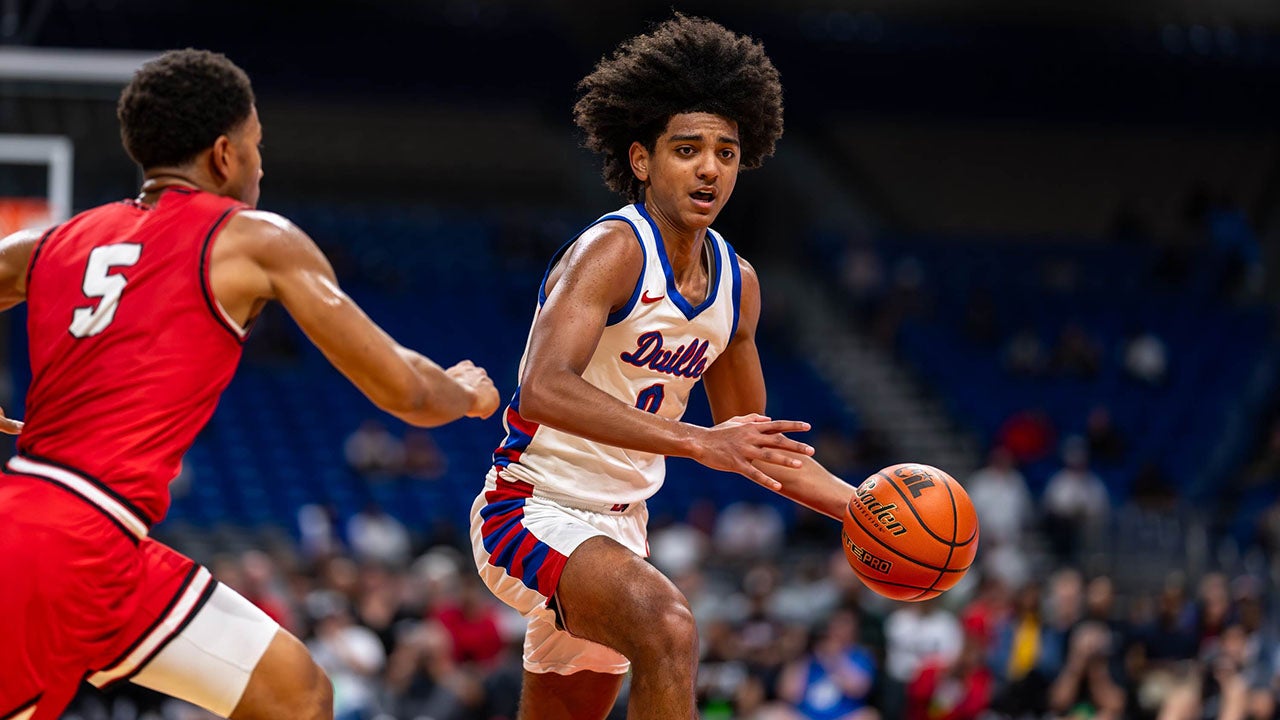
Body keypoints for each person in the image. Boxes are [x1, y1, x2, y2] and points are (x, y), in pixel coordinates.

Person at [0, 49, 500, 720]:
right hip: (63, 544)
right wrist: (466, 394)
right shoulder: (253, 238)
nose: (263, 165)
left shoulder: (53, 240)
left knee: (296, 694)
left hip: (103, 544)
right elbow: (404, 389)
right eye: (258, 145)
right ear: (224, 154)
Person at [468, 14, 857, 719]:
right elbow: (543, 386)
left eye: (726, 153)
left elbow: (754, 442)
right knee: (667, 624)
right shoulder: (613, 250)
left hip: (620, 530)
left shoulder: (739, 286)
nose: (710, 167)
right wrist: (697, 441)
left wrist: (860, 509)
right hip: (530, 508)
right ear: (643, 160)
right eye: (687, 149)